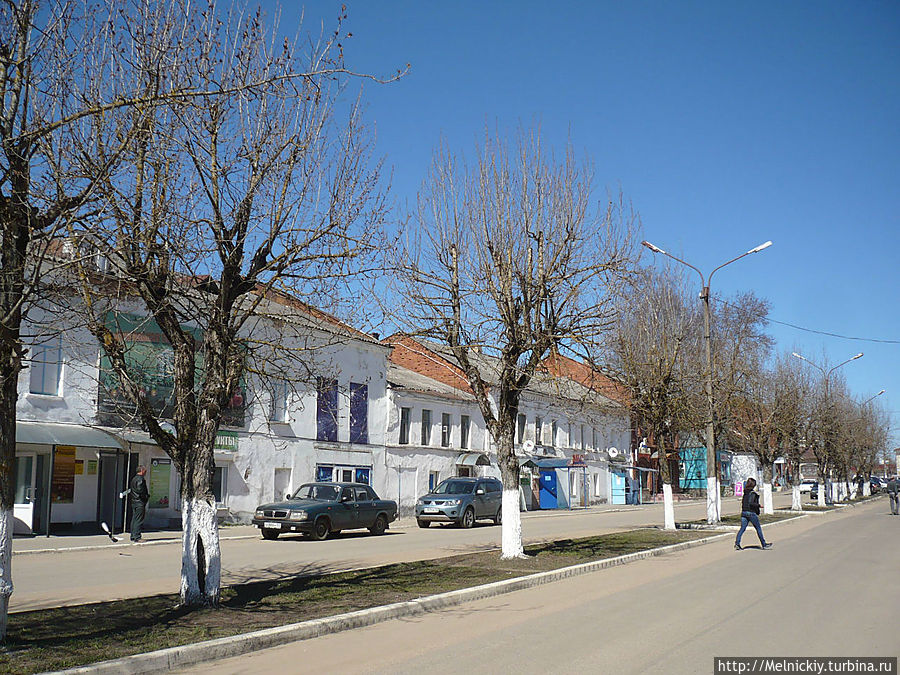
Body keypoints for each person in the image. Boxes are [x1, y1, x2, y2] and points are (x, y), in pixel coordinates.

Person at [735, 477, 772, 551]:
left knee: (742, 529)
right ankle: (764, 544)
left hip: (744, 512)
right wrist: (759, 505)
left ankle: (737, 543)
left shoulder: (745, 493)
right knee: (758, 528)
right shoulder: (752, 493)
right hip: (751, 513)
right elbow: (752, 503)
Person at [129, 465, 150, 542]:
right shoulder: (140, 479)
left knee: (134, 519)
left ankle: (133, 535)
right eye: (145, 471)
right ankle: (137, 537)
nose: (146, 472)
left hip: (134, 502)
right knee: (138, 520)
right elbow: (141, 491)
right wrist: (146, 497)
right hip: (139, 502)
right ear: (141, 471)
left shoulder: (134, 479)